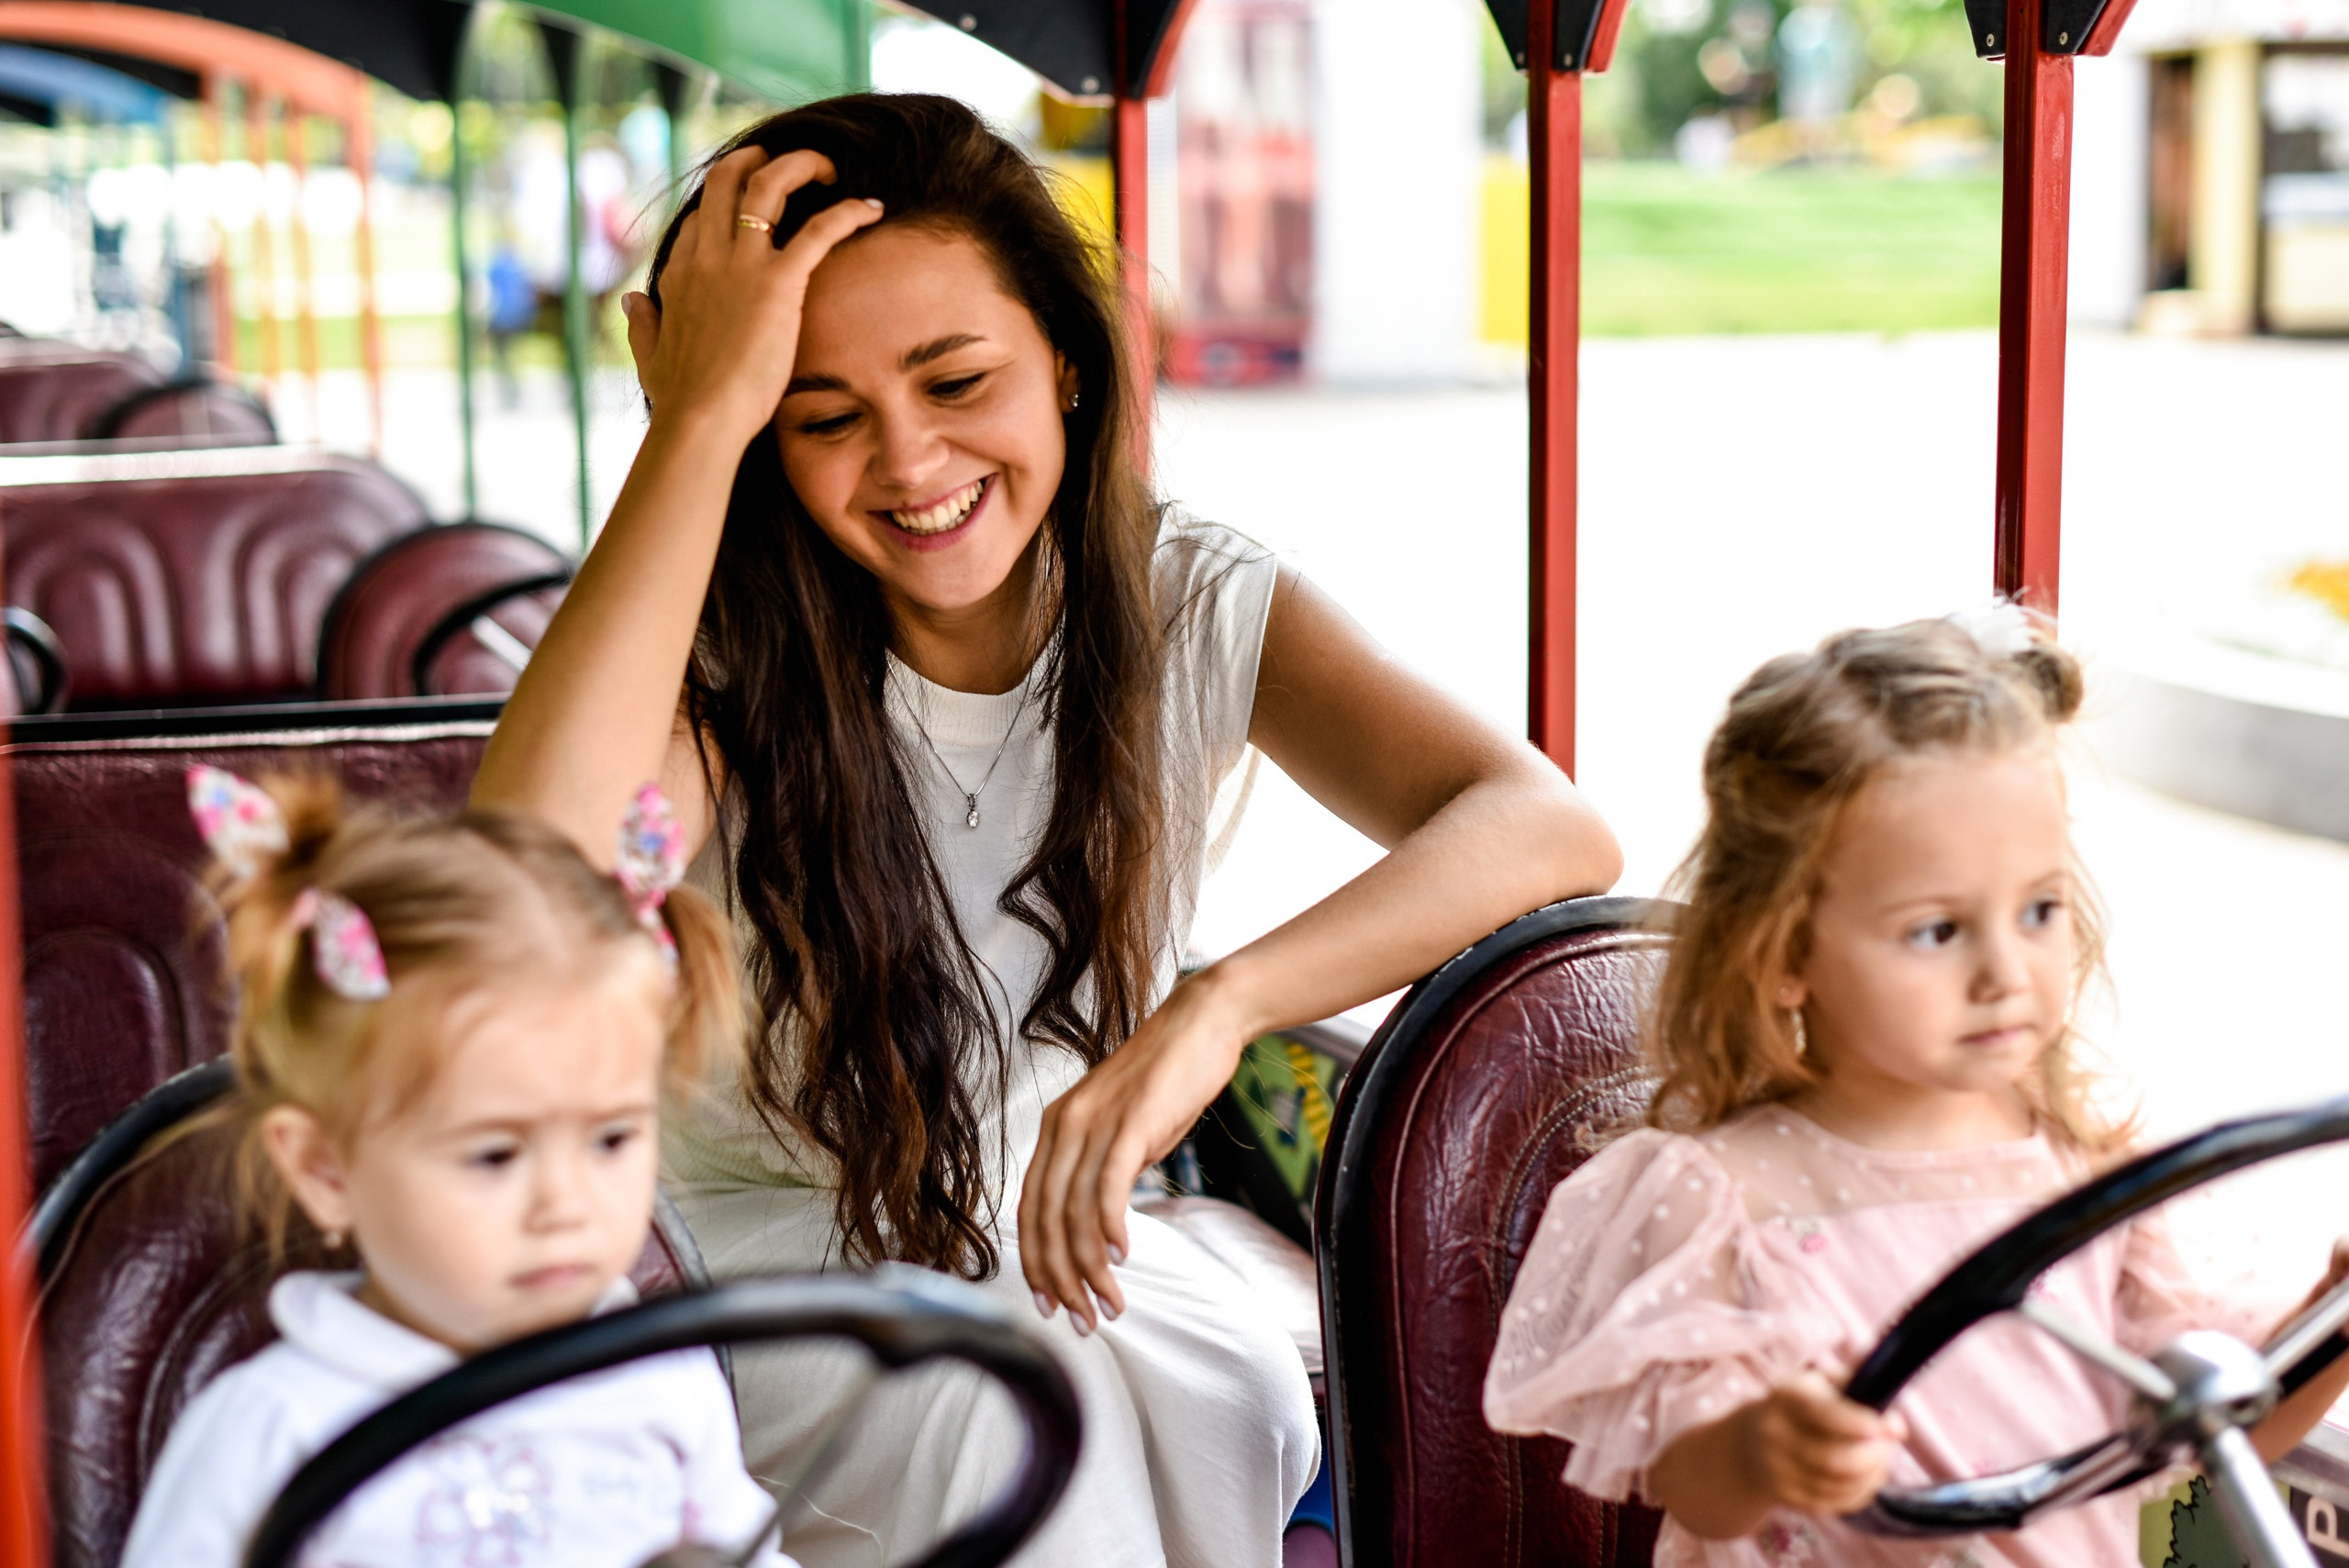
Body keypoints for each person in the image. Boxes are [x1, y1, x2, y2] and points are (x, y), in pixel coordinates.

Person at [471, 92, 1623, 1568]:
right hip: (751, 1278)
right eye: (820, 416)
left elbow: (1543, 823)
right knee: (1006, 1403)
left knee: (1201, 1387)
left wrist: (1224, 1005)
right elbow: (524, 889)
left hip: (1061, 1251)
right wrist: (696, 418)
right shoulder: (710, 645)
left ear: (1067, 365)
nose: (907, 463)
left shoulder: (1183, 592)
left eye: (958, 381)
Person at [1482, 610, 2349, 1566]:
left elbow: (2217, 1432)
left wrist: (2335, 1316)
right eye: (1938, 930)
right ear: (1781, 953)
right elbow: (1697, 1485)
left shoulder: (2092, 1173)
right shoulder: (1718, 1194)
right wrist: (1765, 1442)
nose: (2004, 971)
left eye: (2038, 910)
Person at [121, 770, 787, 1568]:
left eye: (611, 1140)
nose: (565, 1203)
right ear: (327, 1170)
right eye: (495, 1154)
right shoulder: (274, 1429)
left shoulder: (662, 1374)